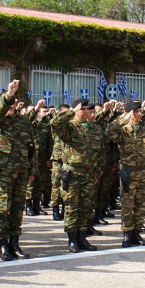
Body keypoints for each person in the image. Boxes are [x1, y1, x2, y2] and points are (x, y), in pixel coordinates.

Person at [0, 80, 36, 260]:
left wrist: (33, 169)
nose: (12, 103)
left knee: (17, 208)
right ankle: (3, 244)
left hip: (22, 168)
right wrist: (8, 94)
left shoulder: (24, 121)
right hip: (4, 170)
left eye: (13, 100)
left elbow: (31, 146)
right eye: (8, 101)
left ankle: (15, 243)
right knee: (4, 207)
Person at [50, 98, 102, 253]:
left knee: (86, 207)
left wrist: (97, 170)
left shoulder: (95, 129)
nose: (87, 112)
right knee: (72, 207)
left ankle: (82, 237)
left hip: (88, 173)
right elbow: (54, 124)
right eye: (84, 109)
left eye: (88, 109)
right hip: (72, 173)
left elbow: (99, 152)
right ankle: (72, 240)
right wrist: (70, 112)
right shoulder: (69, 127)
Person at [105, 100, 145, 247]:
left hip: (142, 173)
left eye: (140, 111)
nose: (140, 114)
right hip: (128, 173)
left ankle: (137, 233)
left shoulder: (144, 131)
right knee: (128, 205)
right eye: (137, 111)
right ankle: (127, 234)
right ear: (130, 114)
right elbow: (108, 133)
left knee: (140, 205)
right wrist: (122, 118)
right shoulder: (123, 130)